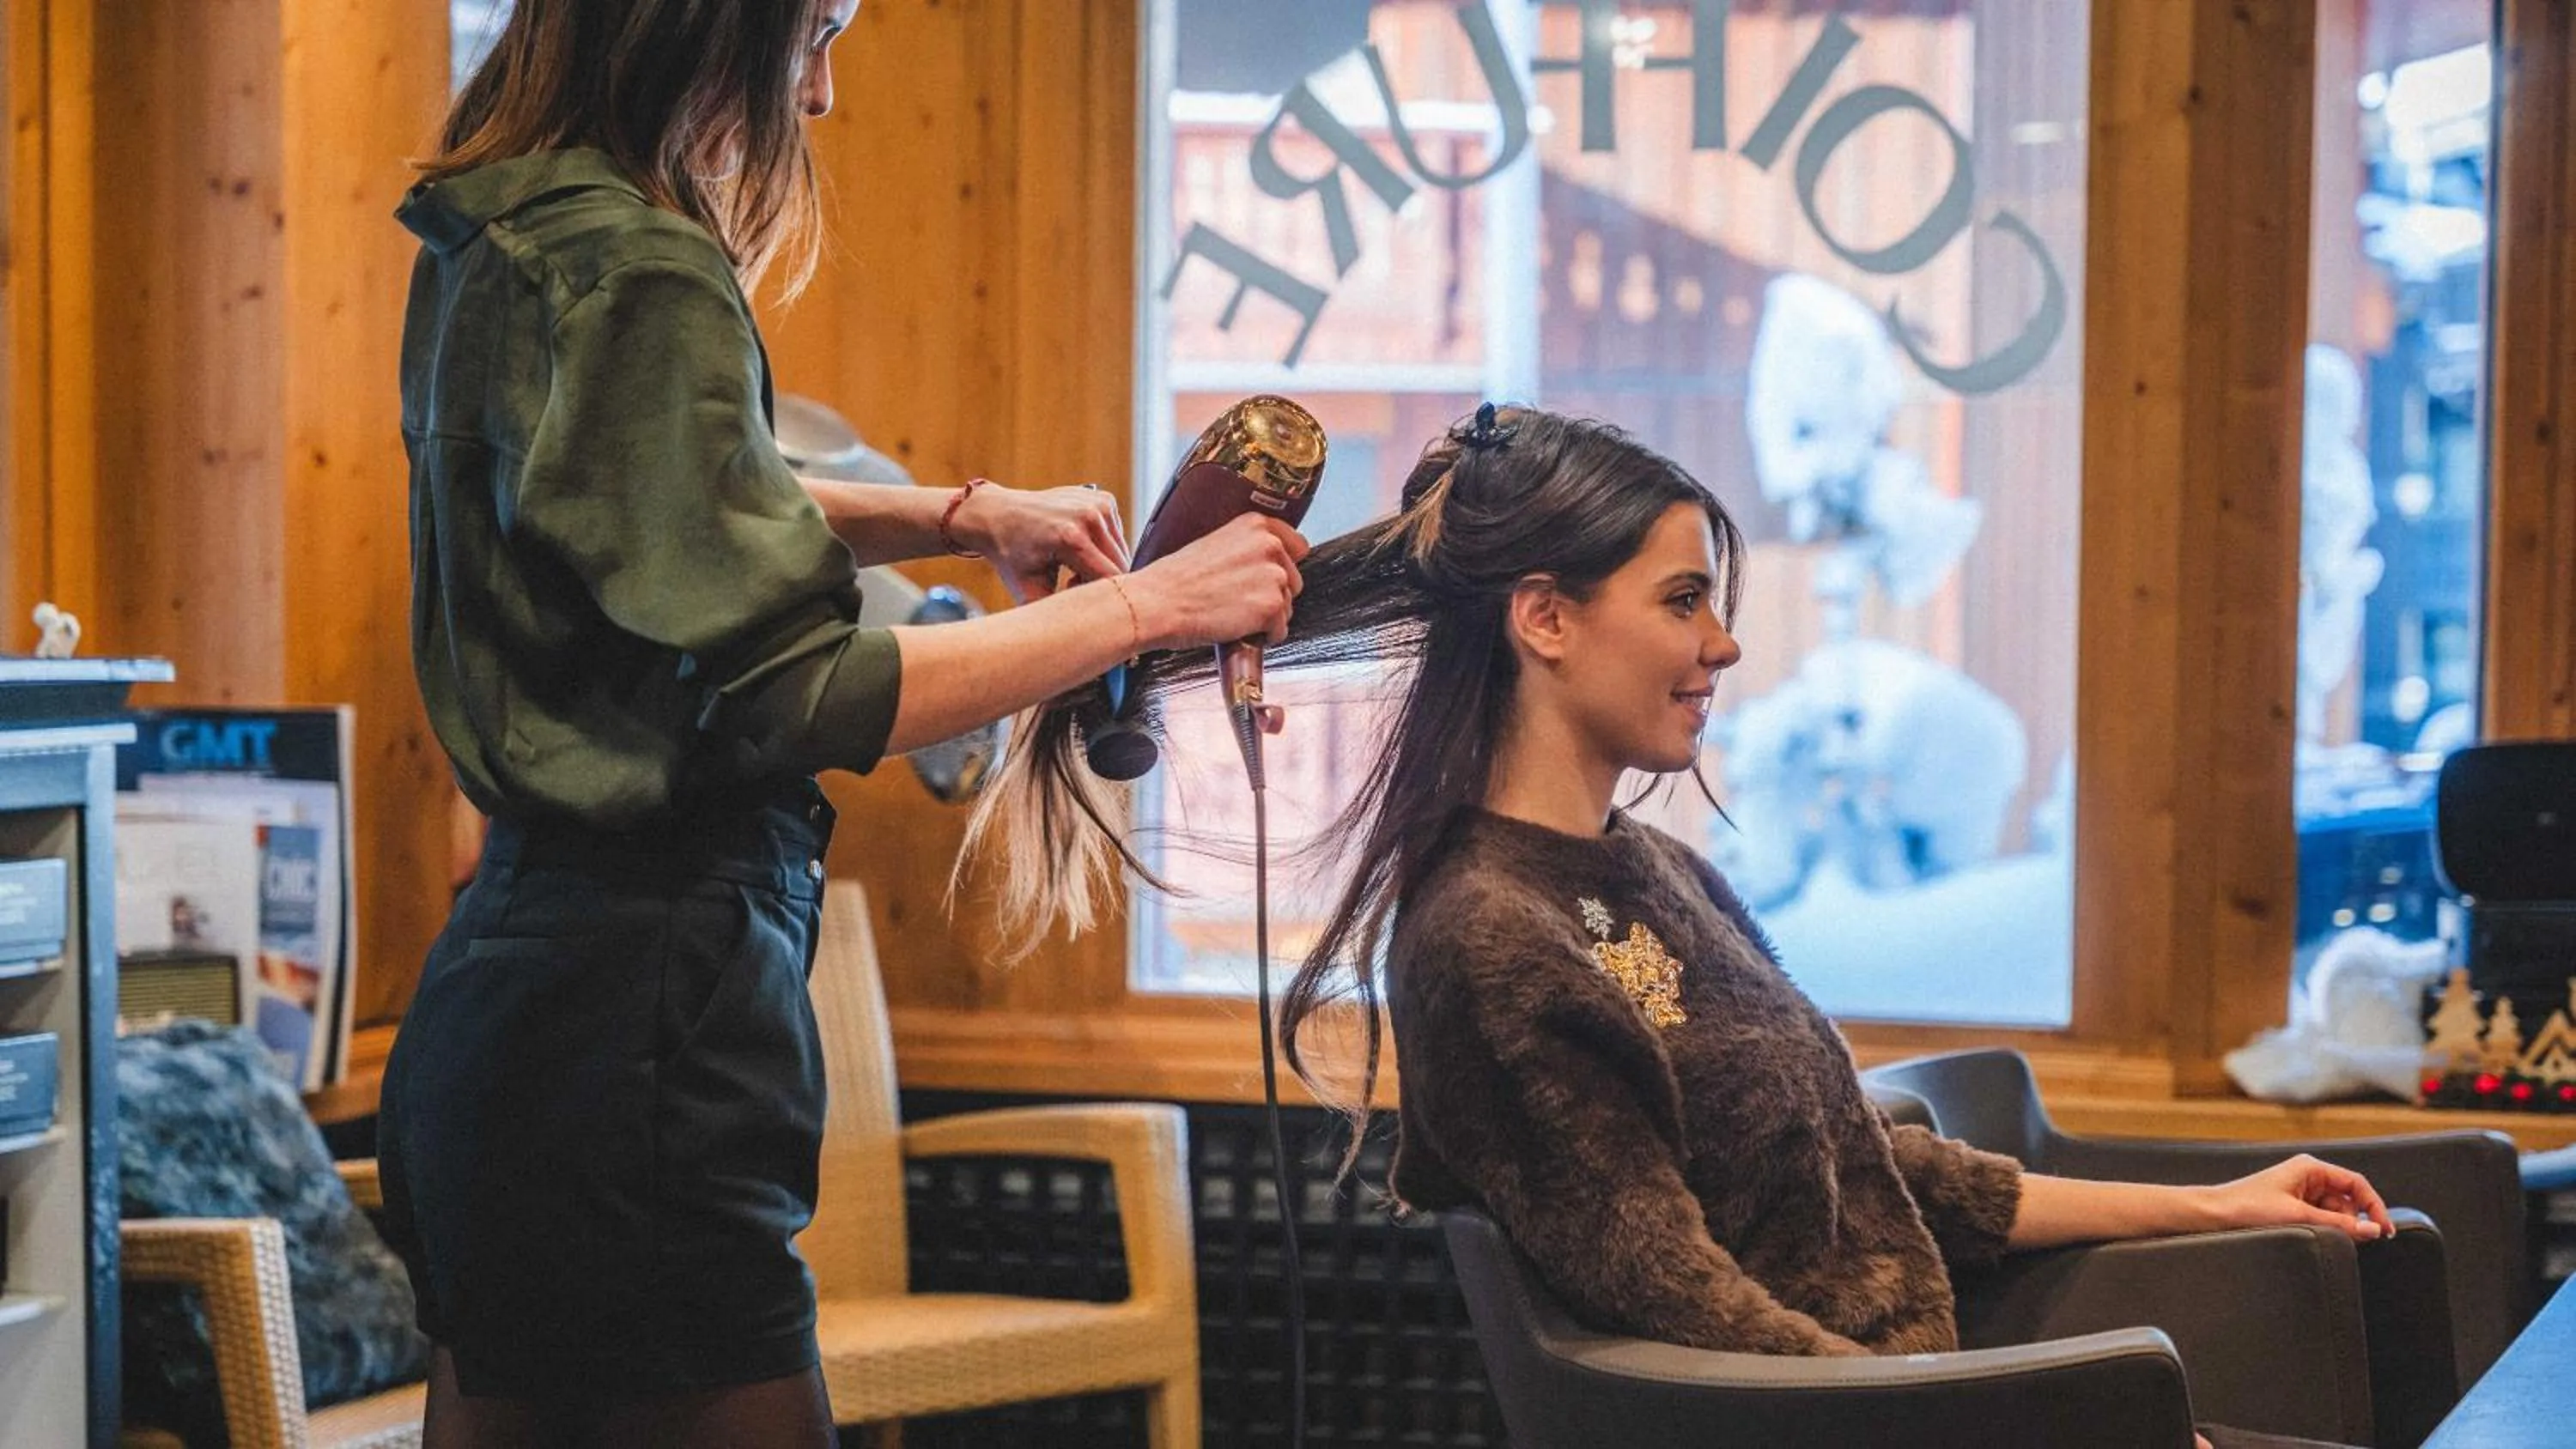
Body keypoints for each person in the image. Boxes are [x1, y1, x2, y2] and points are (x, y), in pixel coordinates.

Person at [981, 404, 2392, 1449]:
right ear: (1544, 619)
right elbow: (1682, 1301)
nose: (1722, 646)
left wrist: (2225, 1202)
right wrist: (2026, 1429)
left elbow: (1891, 1185)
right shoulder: (1486, 939)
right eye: (1683, 602)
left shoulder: (1652, 868)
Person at [379, 4, 1306, 1446]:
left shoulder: (503, 232)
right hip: (644, 1029)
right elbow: (795, 689)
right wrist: (1152, 609)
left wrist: (956, 516)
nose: (817, 94)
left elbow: (652, 504)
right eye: (812, 34)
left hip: (510, 1008)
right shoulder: (641, 267)